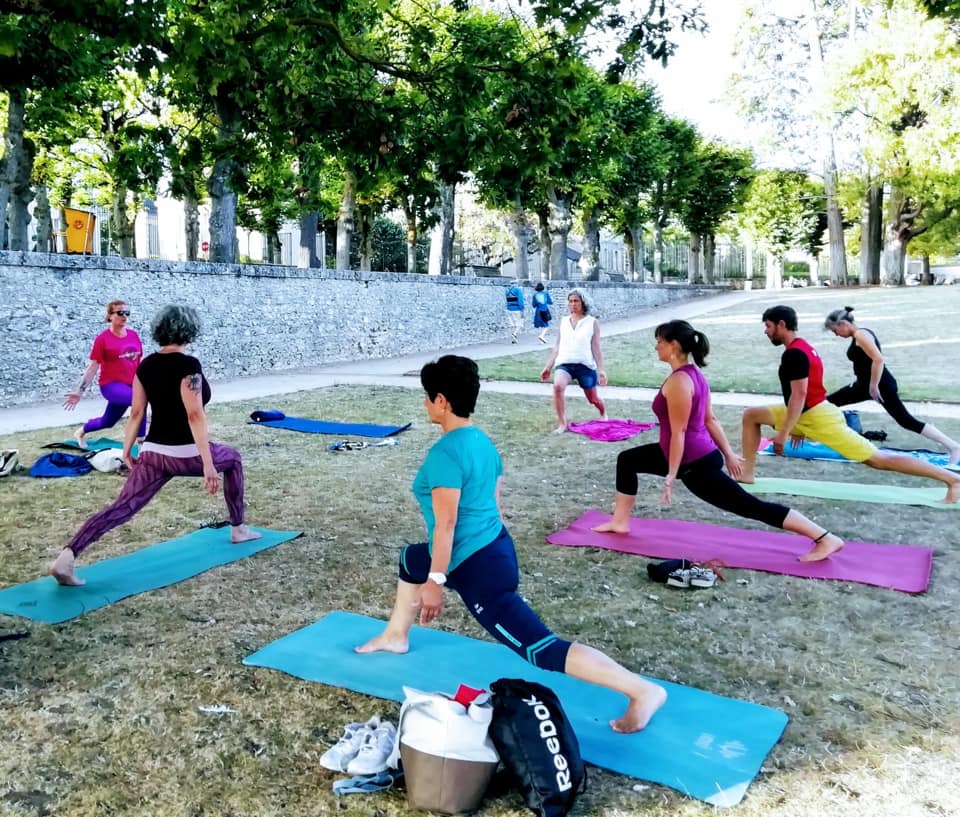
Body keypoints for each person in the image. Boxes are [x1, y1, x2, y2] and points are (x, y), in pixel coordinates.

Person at [356, 355, 667, 733]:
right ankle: (395, 635)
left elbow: (447, 523)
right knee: (411, 558)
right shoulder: (481, 441)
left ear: (441, 401)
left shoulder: (445, 454)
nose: (424, 403)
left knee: (540, 649)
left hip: (477, 568)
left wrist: (436, 582)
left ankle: (641, 692)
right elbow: (494, 504)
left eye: (427, 396)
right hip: (493, 547)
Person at [592, 321, 844, 562]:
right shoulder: (693, 375)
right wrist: (729, 455)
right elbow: (710, 419)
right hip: (692, 454)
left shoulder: (680, 382)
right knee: (627, 459)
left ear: (674, 345)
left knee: (751, 507)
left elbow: (680, 432)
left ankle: (824, 537)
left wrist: (671, 475)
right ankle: (620, 521)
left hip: (693, 463)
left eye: (659, 341)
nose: (656, 346)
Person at [49, 305, 261, 586]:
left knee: (123, 507)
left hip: (153, 454)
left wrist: (127, 449)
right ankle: (239, 529)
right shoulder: (189, 366)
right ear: (189, 331)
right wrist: (208, 463)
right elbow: (194, 414)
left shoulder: (146, 365)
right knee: (232, 459)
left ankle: (67, 557)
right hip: (186, 454)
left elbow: (136, 413)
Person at [740, 305, 959, 504]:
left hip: (818, 417)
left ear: (782, 325)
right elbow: (806, 392)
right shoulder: (803, 347)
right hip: (808, 412)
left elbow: (800, 394)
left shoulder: (795, 354)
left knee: (879, 460)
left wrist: (785, 432)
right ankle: (747, 473)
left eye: (768, 326)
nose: (766, 331)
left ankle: (951, 479)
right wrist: (797, 428)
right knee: (752, 415)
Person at [824, 305, 960, 466]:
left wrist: (873, 386)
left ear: (843, 324)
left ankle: (954, 447)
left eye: (835, 330)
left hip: (879, 385)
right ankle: (820, 436)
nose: (836, 334)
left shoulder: (861, 335)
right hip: (864, 385)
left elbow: (878, 359)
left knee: (906, 421)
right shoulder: (861, 334)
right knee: (827, 403)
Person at [63, 299, 147, 448]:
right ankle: (142, 446)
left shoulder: (133, 335)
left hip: (131, 384)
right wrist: (79, 391)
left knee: (108, 422)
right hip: (111, 385)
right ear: (110, 316)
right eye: (120, 313)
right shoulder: (103, 339)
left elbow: (138, 362)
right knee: (139, 401)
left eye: (126, 313)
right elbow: (93, 367)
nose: (124, 316)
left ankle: (81, 431)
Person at [539, 288, 608, 433]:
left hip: (585, 366)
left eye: (576, 301)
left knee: (593, 399)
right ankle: (562, 424)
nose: (573, 304)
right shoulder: (564, 321)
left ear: (583, 302)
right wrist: (548, 367)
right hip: (564, 364)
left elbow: (596, 348)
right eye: (570, 301)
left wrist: (601, 370)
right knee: (557, 387)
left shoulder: (592, 322)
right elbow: (557, 346)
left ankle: (603, 412)